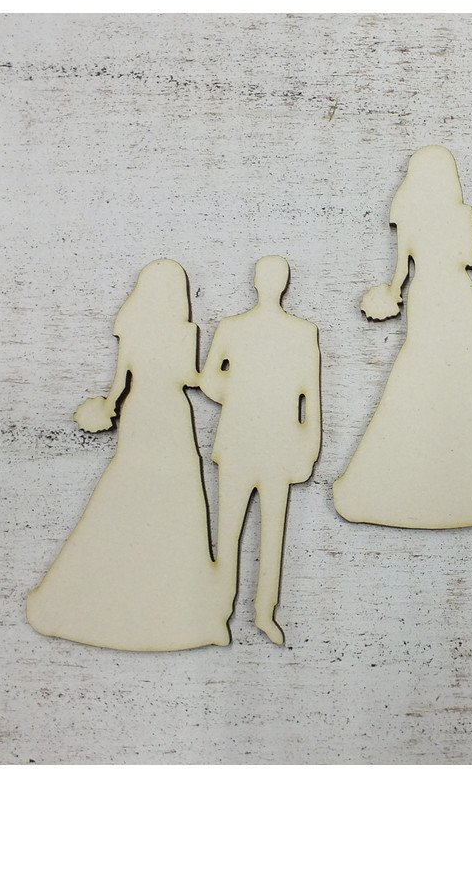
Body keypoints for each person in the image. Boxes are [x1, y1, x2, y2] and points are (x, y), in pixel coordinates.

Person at [27, 259, 231, 650]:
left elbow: (120, 383)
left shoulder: (134, 325)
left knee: (129, 485)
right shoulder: (183, 331)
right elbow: (192, 379)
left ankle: (98, 587)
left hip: (140, 411)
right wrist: (222, 364)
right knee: (177, 494)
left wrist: (105, 408)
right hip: (171, 414)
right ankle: (176, 602)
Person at [333, 145, 472, 528]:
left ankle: (391, 478)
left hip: (426, 295)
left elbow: (400, 273)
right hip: (457, 295)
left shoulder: (409, 214)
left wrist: (389, 293)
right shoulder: (459, 213)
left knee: (420, 370)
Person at [200, 256, 321, 645]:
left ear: (257, 281)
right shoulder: (233, 328)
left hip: (274, 445)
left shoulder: (302, 332)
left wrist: (309, 446)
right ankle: (231, 612)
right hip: (248, 442)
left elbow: (309, 393)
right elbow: (209, 380)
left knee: (256, 531)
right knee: (242, 530)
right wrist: (243, 393)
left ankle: (255, 612)